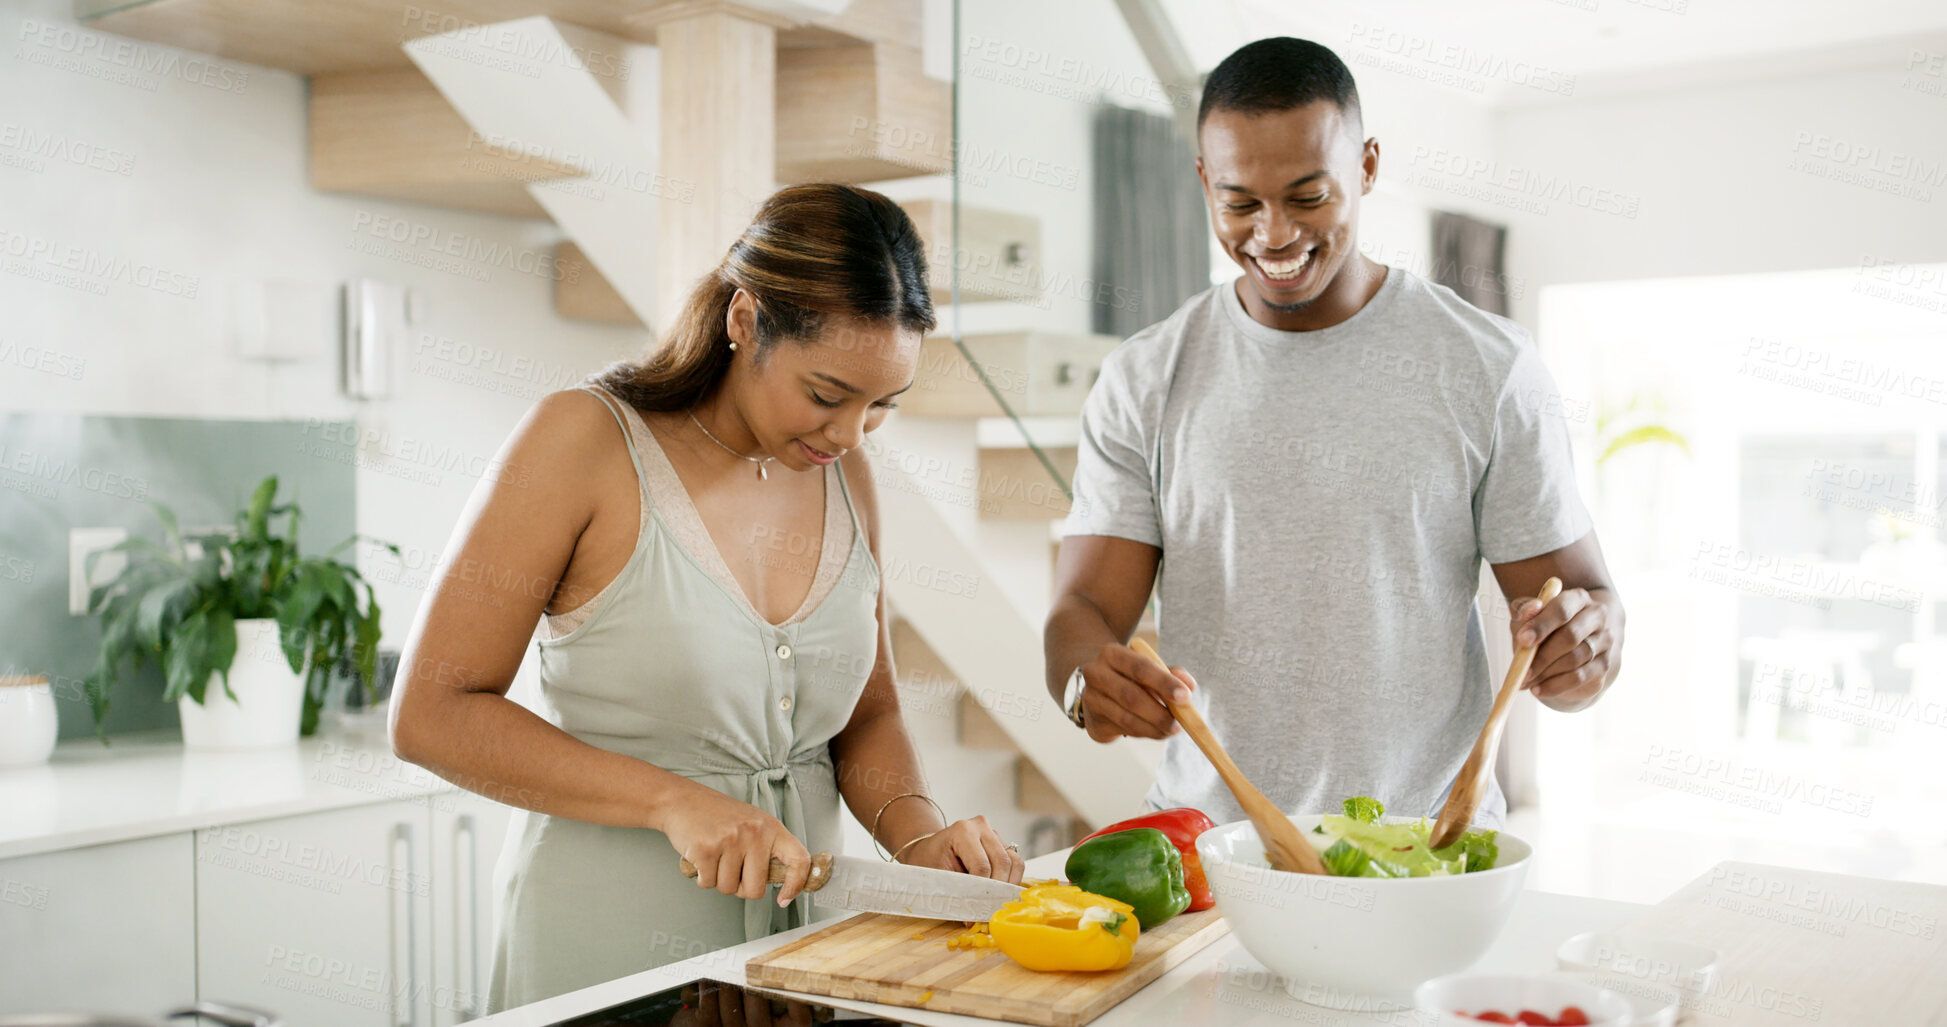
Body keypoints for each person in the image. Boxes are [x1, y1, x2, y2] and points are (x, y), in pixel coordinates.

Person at [390, 183, 1025, 1012]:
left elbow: (867, 714)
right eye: (828, 394)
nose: (849, 433)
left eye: (882, 407)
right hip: (606, 953)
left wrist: (917, 837)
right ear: (744, 321)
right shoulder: (581, 440)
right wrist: (669, 799)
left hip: (799, 958)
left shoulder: (845, 474)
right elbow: (431, 712)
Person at [1044, 38, 1626, 829]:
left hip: (1422, 843)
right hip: (1210, 845)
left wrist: (1586, 649)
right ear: (1202, 182)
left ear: (1367, 168)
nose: (1273, 235)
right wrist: (1087, 683)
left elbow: (1580, 614)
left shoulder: (1486, 366)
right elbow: (1080, 607)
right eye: (1239, 202)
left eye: (1307, 197)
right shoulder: (1143, 377)